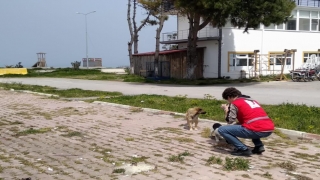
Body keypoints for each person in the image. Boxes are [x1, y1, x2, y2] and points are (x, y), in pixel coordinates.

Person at [218, 87, 274, 156]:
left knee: (222, 130)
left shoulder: (235, 103)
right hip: (269, 128)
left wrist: (226, 110)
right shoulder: (252, 100)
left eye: (227, 100)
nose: (228, 102)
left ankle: (243, 149)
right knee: (252, 125)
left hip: (257, 129)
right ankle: (259, 146)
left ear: (229, 97)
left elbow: (230, 121)